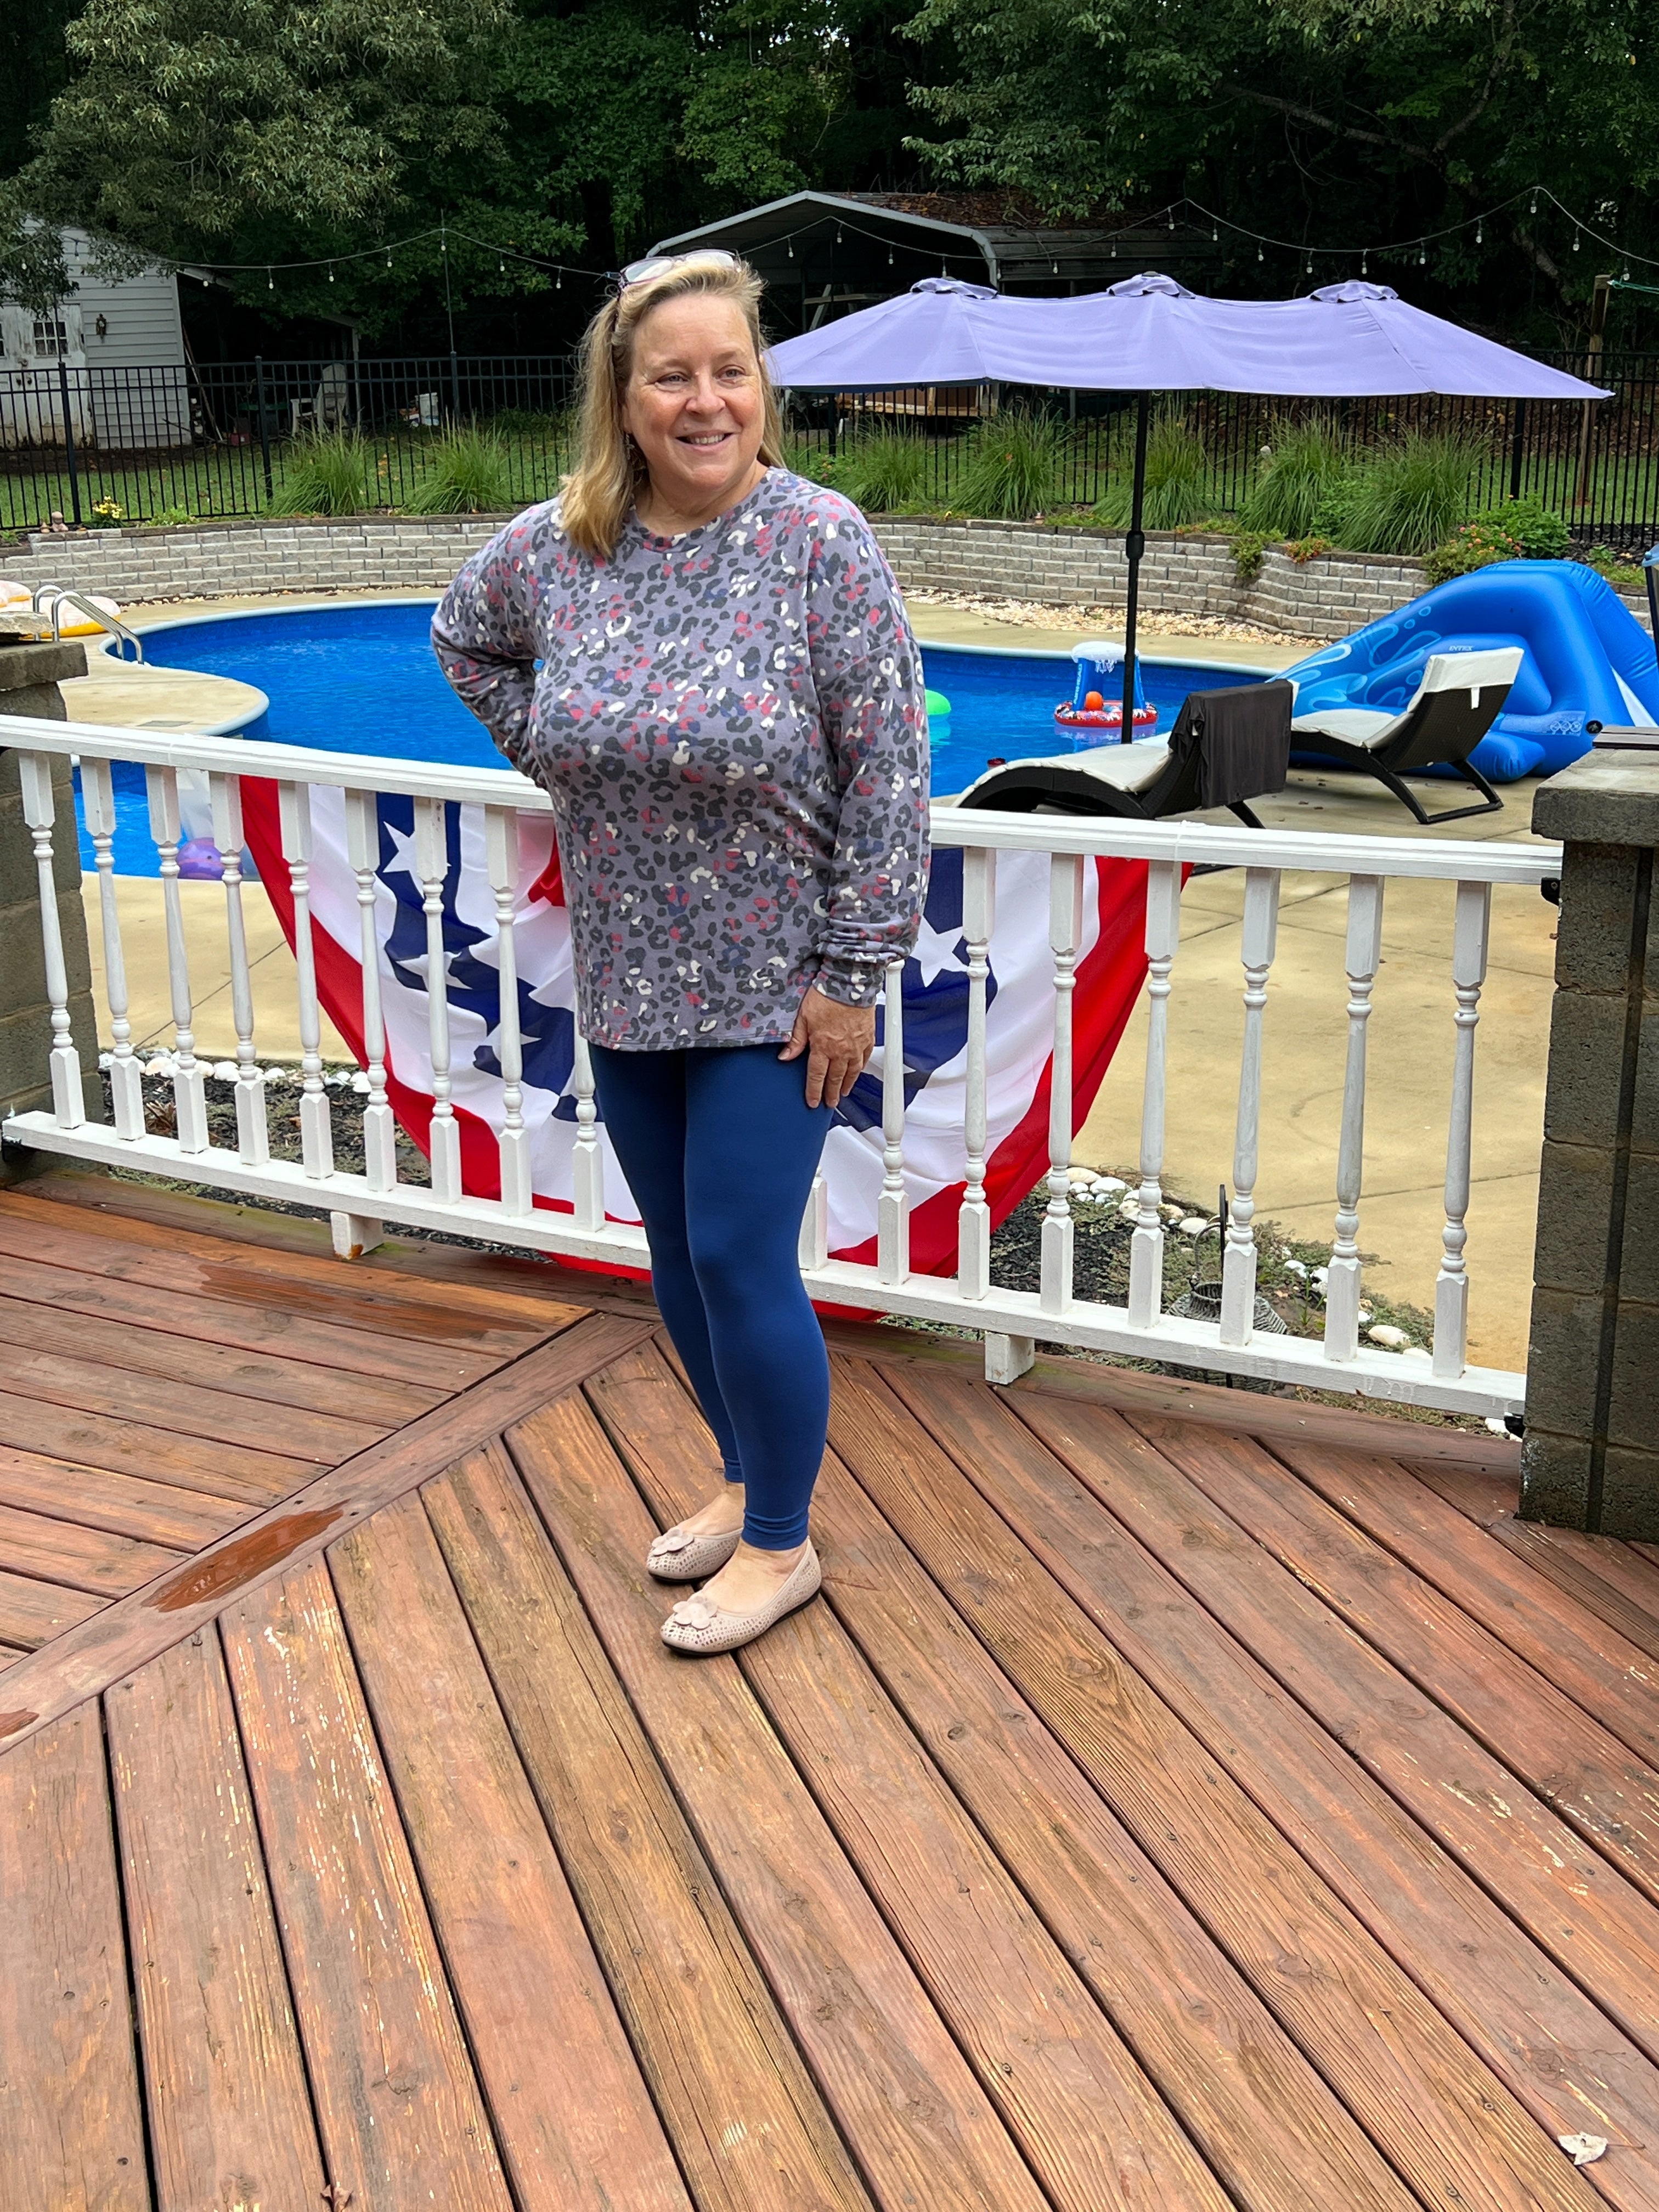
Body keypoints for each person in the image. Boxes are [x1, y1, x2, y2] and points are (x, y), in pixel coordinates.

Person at [432, 251, 929, 1655]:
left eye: (732, 371)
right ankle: (741, 1476)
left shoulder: (819, 541)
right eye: (674, 377)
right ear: (625, 399)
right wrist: (561, 757)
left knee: (739, 1253)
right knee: (676, 1254)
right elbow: (465, 640)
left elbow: (892, 773)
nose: (707, 401)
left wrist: (853, 977)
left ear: (761, 386)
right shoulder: (562, 545)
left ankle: (782, 1542)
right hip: (631, 967)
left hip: (783, 983)